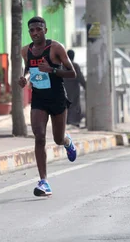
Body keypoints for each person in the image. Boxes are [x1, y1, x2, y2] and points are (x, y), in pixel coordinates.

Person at [18, 16, 78, 197]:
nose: (35, 33)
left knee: (58, 139)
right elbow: (29, 70)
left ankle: (67, 141)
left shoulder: (55, 48)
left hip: (57, 97)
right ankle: (44, 182)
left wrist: (52, 70)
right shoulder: (25, 51)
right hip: (38, 98)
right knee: (39, 136)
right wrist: (25, 79)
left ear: (45, 30)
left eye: (38, 29)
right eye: (31, 30)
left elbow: (72, 73)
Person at [64, 49, 86, 127]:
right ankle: (72, 121)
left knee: (65, 105)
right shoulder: (75, 66)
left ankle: (66, 121)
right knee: (74, 105)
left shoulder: (62, 65)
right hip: (73, 89)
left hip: (64, 88)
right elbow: (80, 77)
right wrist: (86, 86)